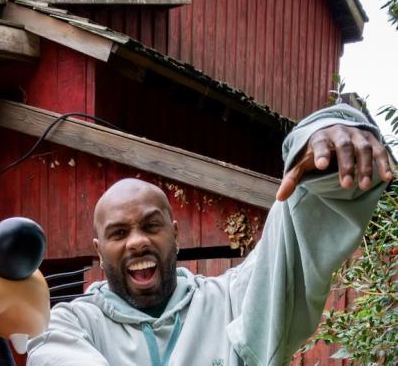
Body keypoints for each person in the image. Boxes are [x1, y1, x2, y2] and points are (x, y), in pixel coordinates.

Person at [26, 104, 394, 366]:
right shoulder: (69, 325)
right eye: (119, 233)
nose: (137, 241)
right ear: (99, 250)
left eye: (151, 226)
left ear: (175, 235)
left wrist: (325, 134)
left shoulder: (233, 302)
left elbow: (298, 227)